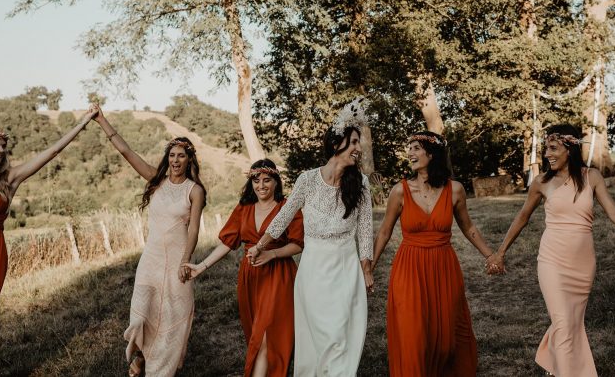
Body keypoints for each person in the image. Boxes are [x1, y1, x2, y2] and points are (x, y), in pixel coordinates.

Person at [487, 124, 615, 377]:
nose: (547, 154)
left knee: (571, 325)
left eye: (553, 148)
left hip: (583, 265)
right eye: (546, 149)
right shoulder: (542, 182)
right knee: (563, 323)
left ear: (570, 148)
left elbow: (613, 212)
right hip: (552, 260)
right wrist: (500, 252)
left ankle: (555, 367)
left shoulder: (591, 177)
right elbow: (522, 217)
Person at [0, 106, 98, 377]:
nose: (2, 150)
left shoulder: (10, 179)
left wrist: (84, 121)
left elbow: (51, 152)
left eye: (4, 145)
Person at [246, 98, 374, 376]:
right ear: (336, 144)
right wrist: (260, 245)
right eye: (353, 142)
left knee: (340, 335)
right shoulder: (307, 180)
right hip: (314, 268)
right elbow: (283, 217)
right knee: (319, 334)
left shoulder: (360, 183)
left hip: (345, 265)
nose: (358, 148)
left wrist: (366, 268)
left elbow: (365, 229)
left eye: (358, 142)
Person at [92, 107, 206, 377]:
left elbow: (193, 231)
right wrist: (101, 120)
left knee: (172, 319)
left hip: (178, 262)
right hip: (151, 262)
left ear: (190, 159)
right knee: (142, 315)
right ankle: (142, 357)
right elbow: (127, 152)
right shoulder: (156, 182)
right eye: (172, 155)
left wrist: (185, 261)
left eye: (181, 156)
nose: (176, 160)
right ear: (167, 158)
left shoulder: (195, 190)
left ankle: (157, 370)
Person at [372, 131, 494, 376]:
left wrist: (490, 255)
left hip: (443, 267)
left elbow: (468, 227)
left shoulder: (455, 190)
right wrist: (369, 267)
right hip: (410, 268)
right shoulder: (400, 191)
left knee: (446, 336)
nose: (410, 154)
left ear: (432, 153)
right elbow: (384, 232)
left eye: (416, 148)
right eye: (409, 148)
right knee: (413, 334)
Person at [185, 159, 303, 377]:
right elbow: (227, 243)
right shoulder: (244, 208)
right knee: (255, 335)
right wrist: (201, 267)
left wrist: (272, 253)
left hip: (279, 277)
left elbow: (297, 243)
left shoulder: (287, 207)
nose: (261, 186)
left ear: (276, 182)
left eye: (267, 180)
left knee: (266, 336)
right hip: (250, 277)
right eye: (256, 181)